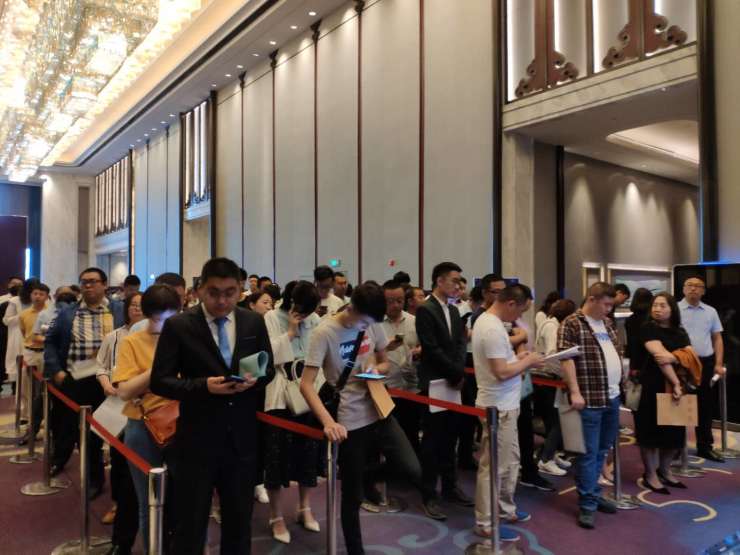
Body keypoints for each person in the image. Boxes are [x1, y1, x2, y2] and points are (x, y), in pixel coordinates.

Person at [150, 257, 274, 554]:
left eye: (230, 293)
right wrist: (203, 386)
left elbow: (268, 368)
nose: (221, 301)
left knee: (239, 525)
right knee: (190, 527)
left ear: (240, 290)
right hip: (197, 440)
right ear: (199, 290)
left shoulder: (252, 321)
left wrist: (253, 381)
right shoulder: (179, 325)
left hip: (241, 440)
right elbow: (160, 381)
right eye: (214, 292)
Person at [300, 281, 422, 555]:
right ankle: (356, 549)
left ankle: (367, 477)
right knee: (351, 498)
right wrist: (328, 422)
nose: (367, 327)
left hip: (378, 407)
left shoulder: (372, 324)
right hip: (349, 418)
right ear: (352, 307)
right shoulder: (325, 332)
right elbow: (306, 385)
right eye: (365, 321)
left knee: (411, 468)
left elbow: (384, 360)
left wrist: (377, 369)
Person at [472, 284, 545, 541]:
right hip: (497, 407)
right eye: (521, 310)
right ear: (511, 303)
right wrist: (529, 361)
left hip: (506, 404)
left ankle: (504, 508)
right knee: (493, 467)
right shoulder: (491, 327)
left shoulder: (493, 324)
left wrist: (523, 359)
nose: (519, 317)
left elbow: (506, 363)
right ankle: (485, 522)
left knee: (509, 461)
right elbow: (501, 372)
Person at [44, 268, 125, 499]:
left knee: (112, 431)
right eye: (84, 282)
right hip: (77, 380)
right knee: (79, 432)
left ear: (104, 284)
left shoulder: (119, 310)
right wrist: (57, 371)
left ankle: (120, 487)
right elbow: (50, 342)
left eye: (93, 281)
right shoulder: (67, 312)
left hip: (111, 380)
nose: (88, 286)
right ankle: (93, 479)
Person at [112, 285, 181, 550]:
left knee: (182, 499)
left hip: (181, 422)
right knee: (148, 501)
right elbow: (125, 391)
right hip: (142, 425)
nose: (164, 325)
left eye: (170, 317)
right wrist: (159, 367)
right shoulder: (132, 341)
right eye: (159, 318)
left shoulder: (186, 338)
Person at [558, 282, 621, 529]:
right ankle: (587, 503)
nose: (609, 309)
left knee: (603, 450)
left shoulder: (607, 323)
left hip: (612, 396)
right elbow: (566, 360)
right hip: (589, 398)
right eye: (606, 304)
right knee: (587, 453)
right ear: (592, 299)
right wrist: (575, 391)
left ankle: (593, 492)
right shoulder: (572, 323)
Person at [263, 281, 322, 544]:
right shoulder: (271, 317)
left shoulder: (315, 320)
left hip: (308, 392)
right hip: (280, 393)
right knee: (275, 458)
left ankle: (304, 507)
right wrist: (289, 332)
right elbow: (267, 357)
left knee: (308, 454)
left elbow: (319, 355)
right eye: (303, 310)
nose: (307, 315)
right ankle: (275, 516)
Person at [416, 262, 472, 520]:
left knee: (451, 437)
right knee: (432, 441)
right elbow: (431, 348)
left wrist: (458, 371)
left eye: (460, 281)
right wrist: (454, 373)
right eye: (454, 280)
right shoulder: (425, 309)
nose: (458, 285)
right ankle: (429, 494)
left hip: (453, 382)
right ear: (439, 281)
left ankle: (450, 487)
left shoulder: (453, 309)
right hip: (435, 383)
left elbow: (460, 342)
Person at [96, 292, 144, 547]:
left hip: (149, 412)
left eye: (141, 305)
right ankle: (117, 506)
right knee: (120, 463)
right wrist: (107, 385)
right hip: (118, 406)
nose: (137, 309)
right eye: (133, 305)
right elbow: (101, 367)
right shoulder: (114, 337)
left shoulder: (160, 336)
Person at [634, 292, 694, 494]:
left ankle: (665, 470)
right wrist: (676, 380)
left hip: (676, 388)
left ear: (672, 309)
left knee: (674, 434)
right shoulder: (648, 328)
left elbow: (690, 356)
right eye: (655, 305)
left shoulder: (680, 331)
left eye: (662, 305)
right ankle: (650, 474)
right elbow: (660, 357)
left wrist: (674, 358)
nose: (657, 309)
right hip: (652, 386)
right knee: (650, 434)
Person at [678, 276, 726, 462]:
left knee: (705, 406)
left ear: (703, 291)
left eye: (698, 286)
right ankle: (676, 447)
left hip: (706, 363)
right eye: (690, 285)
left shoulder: (711, 311)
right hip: (681, 364)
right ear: (684, 289)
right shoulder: (674, 309)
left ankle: (705, 447)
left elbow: (717, 338)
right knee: (679, 404)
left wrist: (718, 363)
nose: (693, 289)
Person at [535, 299, 577, 476]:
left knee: (553, 421)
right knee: (556, 422)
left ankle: (549, 454)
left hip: (544, 378)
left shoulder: (549, 323)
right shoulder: (553, 327)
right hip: (548, 379)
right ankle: (546, 459)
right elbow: (553, 357)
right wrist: (567, 375)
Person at [380, 280, 422, 452]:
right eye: (390, 301)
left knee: (411, 434)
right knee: (387, 438)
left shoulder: (414, 321)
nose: (396, 305)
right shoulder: (375, 324)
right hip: (386, 388)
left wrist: (419, 351)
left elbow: (424, 345)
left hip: (412, 387)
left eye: (400, 300)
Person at [4, 278, 37, 384]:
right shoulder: (15, 301)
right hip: (18, 336)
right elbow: (6, 320)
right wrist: (22, 316)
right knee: (18, 370)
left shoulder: (41, 300)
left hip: (35, 337)